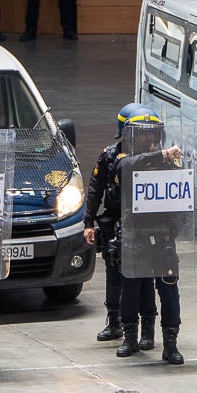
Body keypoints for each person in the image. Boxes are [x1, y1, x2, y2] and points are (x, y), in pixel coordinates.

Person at [92, 106, 188, 364]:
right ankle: (129, 337)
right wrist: (161, 155)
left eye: (153, 133)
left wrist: (173, 229)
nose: (148, 138)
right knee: (130, 288)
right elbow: (125, 168)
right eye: (143, 134)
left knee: (169, 292)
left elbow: (182, 198)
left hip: (163, 237)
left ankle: (170, 343)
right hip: (133, 235)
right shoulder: (124, 159)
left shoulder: (172, 161)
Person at [84, 103, 150, 347]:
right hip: (115, 223)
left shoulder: (155, 156)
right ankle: (114, 321)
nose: (144, 136)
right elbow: (95, 189)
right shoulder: (110, 156)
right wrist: (88, 222)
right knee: (114, 276)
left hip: (144, 227)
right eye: (139, 131)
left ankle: (145, 329)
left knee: (143, 280)